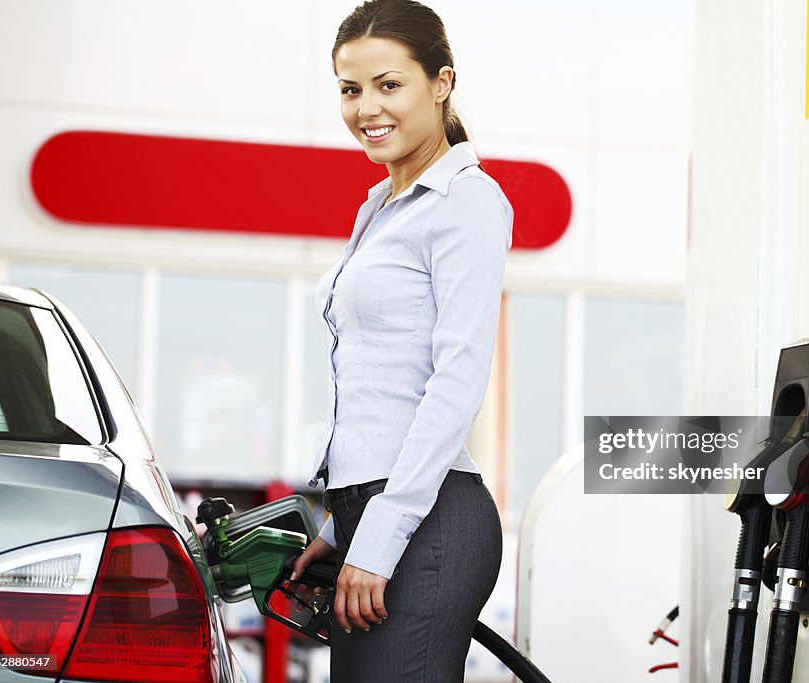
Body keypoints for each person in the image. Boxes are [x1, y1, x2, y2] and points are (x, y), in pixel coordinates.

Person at [289, 0, 511, 680]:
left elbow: (456, 380)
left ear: (440, 84)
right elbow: (374, 384)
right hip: (374, 509)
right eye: (350, 89)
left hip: (430, 518)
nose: (366, 108)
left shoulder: (466, 201)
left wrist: (378, 533)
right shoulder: (380, 208)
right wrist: (338, 521)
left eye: (389, 85)